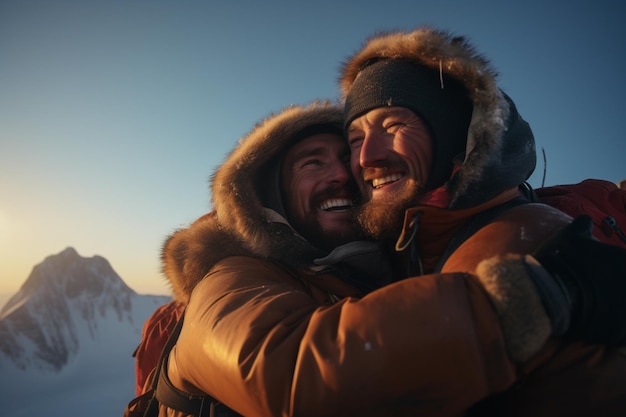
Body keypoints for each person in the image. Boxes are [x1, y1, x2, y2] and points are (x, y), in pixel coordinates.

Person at [129, 98, 626, 417]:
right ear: (273, 199)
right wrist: (535, 296)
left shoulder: (378, 271)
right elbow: (287, 374)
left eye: (345, 159)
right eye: (312, 164)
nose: (342, 174)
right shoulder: (233, 272)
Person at [339, 26, 626, 415]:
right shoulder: (405, 245)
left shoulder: (528, 244)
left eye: (394, 126)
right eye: (355, 139)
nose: (367, 156)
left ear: (452, 135)